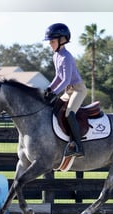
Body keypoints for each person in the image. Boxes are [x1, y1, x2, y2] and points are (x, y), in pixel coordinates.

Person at [43, 23, 87, 158]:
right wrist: (49, 88)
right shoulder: (56, 56)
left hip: (78, 90)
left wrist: (55, 92)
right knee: (55, 110)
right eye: (50, 41)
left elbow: (66, 80)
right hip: (68, 91)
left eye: (52, 41)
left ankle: (78, 146)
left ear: (62, 40)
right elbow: (58, 76)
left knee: (69, 114)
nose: (50, 44)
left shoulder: (66, 57)